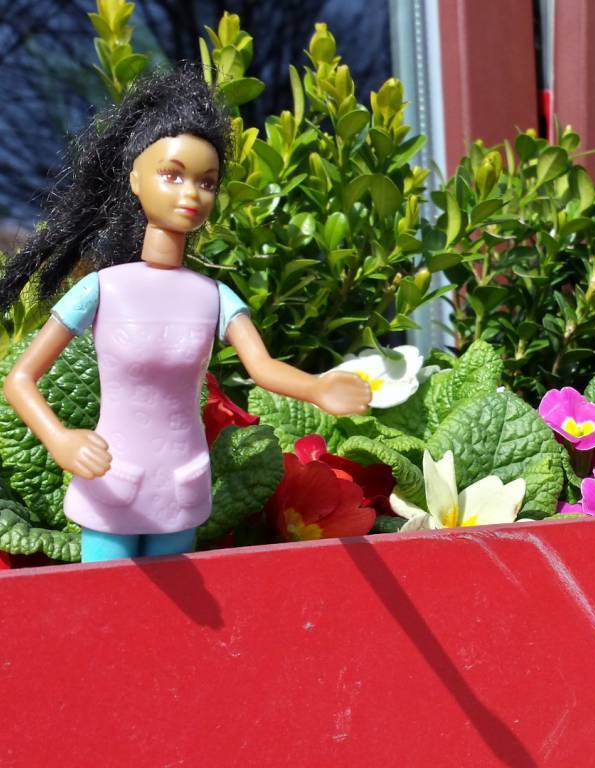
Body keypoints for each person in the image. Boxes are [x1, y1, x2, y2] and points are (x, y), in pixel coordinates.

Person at [0, 67, 371, 563]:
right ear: (136, 179)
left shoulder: (213, 297)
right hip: (110, 479)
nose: (191, 194)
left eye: (206, 182)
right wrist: (59, 439)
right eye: (172, 175)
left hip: (180, 483)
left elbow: (262, 368)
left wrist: (317, 388)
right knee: (104, 597)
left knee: (177, 603)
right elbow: (20, 379)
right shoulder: (102, 289)